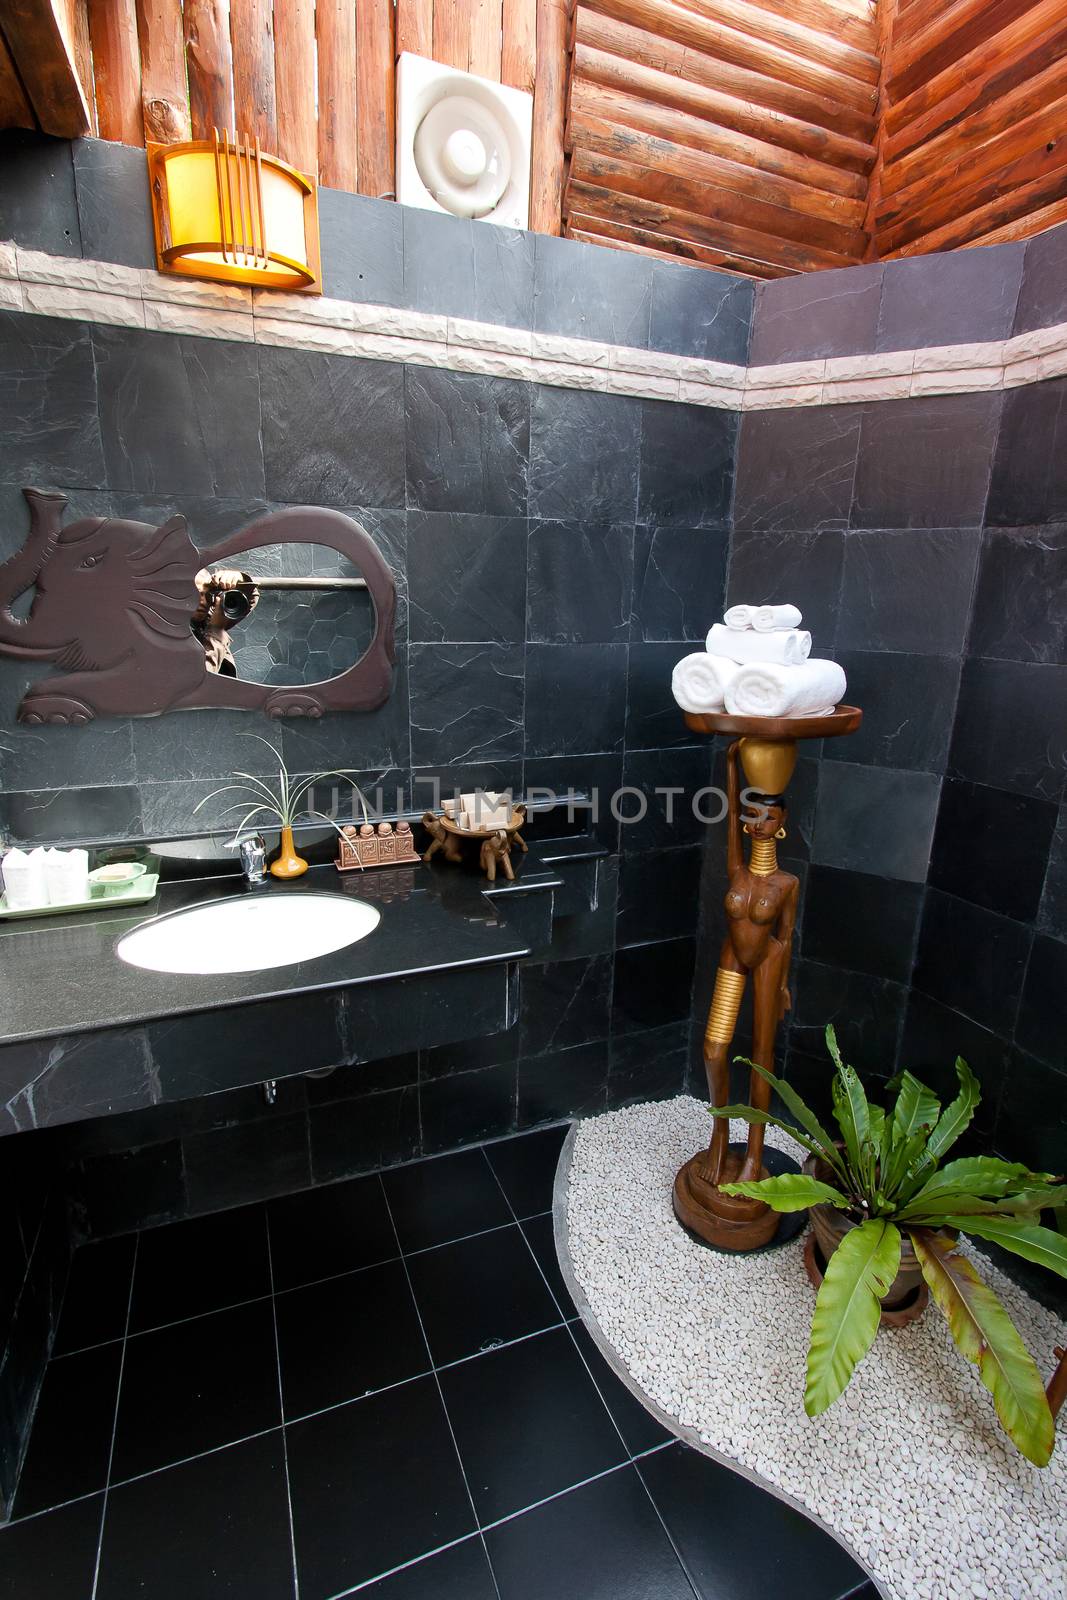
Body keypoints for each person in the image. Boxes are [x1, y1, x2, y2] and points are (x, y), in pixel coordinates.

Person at [191, 567, 259, 676]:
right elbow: (196, 680)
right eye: (197, 594)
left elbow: (249, 599)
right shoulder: (168, 633)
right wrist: (216, 630)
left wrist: (238, 579)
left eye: (208, 594)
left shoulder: (203, 622)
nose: (203, 601)